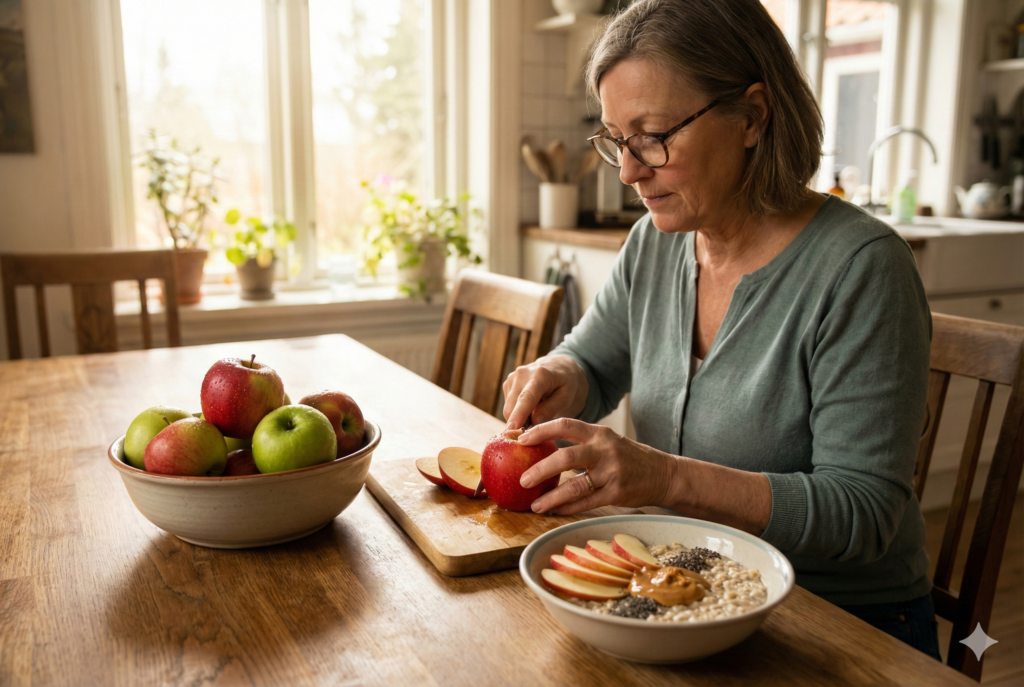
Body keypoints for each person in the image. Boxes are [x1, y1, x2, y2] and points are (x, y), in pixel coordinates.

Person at [502, 0, 941, 660]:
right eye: (616, 139)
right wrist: (562, 374)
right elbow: (592, 361)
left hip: (839, 627)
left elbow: (864, 511)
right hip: (688, 593)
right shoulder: (653, 242)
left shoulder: (861, 268)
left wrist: (665, 478)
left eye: (653, 136)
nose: (628, 170)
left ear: (752, 117)